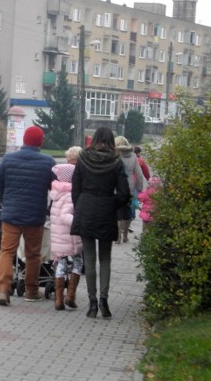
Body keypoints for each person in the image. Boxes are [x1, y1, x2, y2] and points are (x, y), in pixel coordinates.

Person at [71, 126, 130, 319]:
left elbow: (75, 187)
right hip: (106, 208)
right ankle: (104, 300)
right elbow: (124, 193)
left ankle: (92, 303)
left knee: (89, 258)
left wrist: (80, 205)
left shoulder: (83, 158)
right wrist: (113, 205)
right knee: (105, 258)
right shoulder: (116, 161)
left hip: (86, 207)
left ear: (94, 139)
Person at [0, 125, 55, 306]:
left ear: (24, 140)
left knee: (6, 252)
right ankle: (31, 291)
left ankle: (4, 291)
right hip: (35, 215)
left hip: (11, 214)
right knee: (33, 255)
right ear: (40, 141)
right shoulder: (48, 162)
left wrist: (5, 202)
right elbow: (56, 190)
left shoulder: (7, 159)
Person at [50, 146, 84, 311]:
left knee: (61, 265)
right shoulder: (71, 194)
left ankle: (58, 300)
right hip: (70, 236)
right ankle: (70, 295)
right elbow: (65, 216)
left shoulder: (56, 192)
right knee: (78, 262)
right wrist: (79, 221)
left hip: (58, 237)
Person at [114, 136, 146, 244]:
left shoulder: (115, 155)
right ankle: (125, 236)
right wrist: (140, 188)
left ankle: (117, 237)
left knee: (118, 212)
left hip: (116, 186)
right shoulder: (133, 156)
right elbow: (139, 174)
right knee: (127, 210)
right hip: (130, 186)